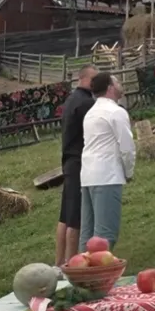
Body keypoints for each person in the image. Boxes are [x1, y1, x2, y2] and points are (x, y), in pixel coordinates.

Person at [79, 72, 135, 252]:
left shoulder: (91, 113)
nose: (120, 84)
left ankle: (81, 273)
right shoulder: (116, 112)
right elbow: (126, 147)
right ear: (110, 87)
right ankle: (97, 276)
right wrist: (129, 172)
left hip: (88, 175)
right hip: (107, 176)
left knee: (87, 235)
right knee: (105, 236)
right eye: (117, 81)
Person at [55, 65, 98, 266]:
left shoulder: (71, 100)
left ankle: (58, 263)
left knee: (64, 216)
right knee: (75, 219)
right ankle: (71, 265)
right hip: (79, 162)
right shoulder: (86, 103)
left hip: (68, 162)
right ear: (84, 79)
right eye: (94, 79)